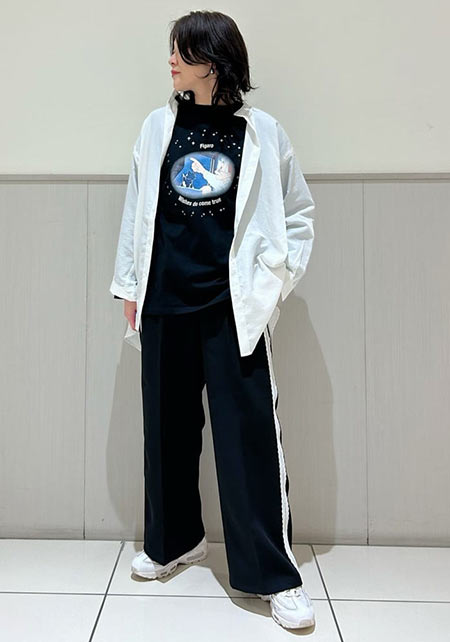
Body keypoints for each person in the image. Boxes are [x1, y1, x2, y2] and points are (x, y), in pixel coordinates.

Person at [110, 10, 316, 631]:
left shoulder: (262, 131)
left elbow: (298, 215)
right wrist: (129, 286)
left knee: (248, 441)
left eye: (182, 50)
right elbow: (137, 206)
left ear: (214, 59)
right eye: (172, 50)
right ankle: (175, 543)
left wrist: (274, 285)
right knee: (166, 433)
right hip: (165, 302)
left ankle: (273, 575)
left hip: (232, 309)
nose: (171, 61)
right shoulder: (157, 126)